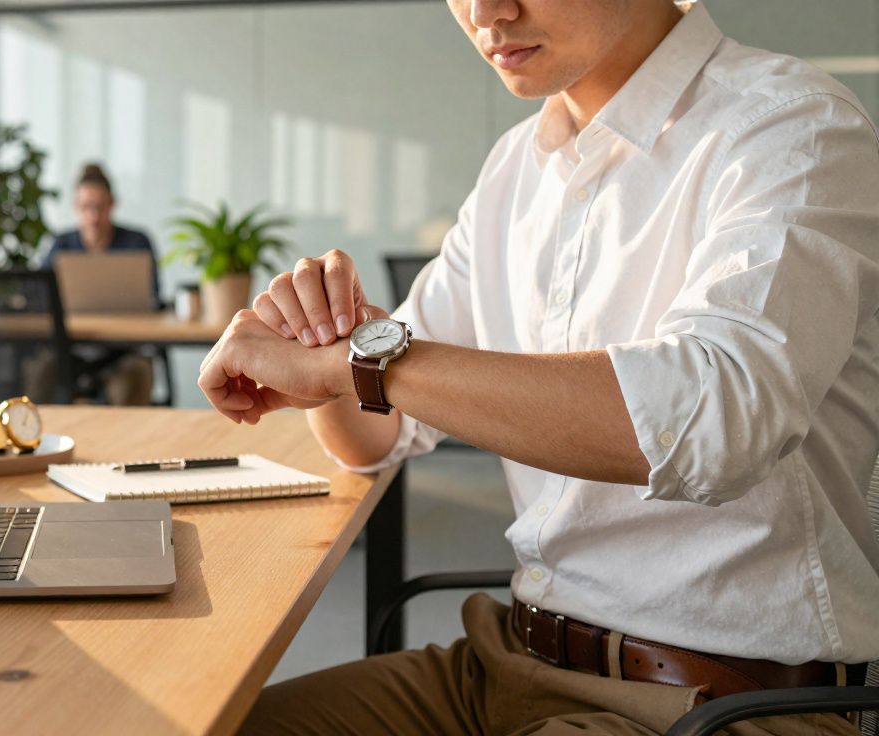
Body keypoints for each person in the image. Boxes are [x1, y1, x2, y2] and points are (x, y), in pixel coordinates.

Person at [200, 2, 879, 735]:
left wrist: (363, 364)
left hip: (712, 703)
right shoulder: (516, 169)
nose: (486, 11)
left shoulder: (792, 125)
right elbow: (373, 434)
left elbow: (716, 416)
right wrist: (323, 353)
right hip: (505, 661)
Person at [42, 163, 160, 405]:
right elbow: (39, 293)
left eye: (100, 207)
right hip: (71, 351)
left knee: (135, 377)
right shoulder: (60, 245)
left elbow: (153, 298)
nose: (93, 217)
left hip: (124, 351)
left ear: (112, 204)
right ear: (76, 208)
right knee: (40, 372)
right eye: (86, 208)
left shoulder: (137, 243)